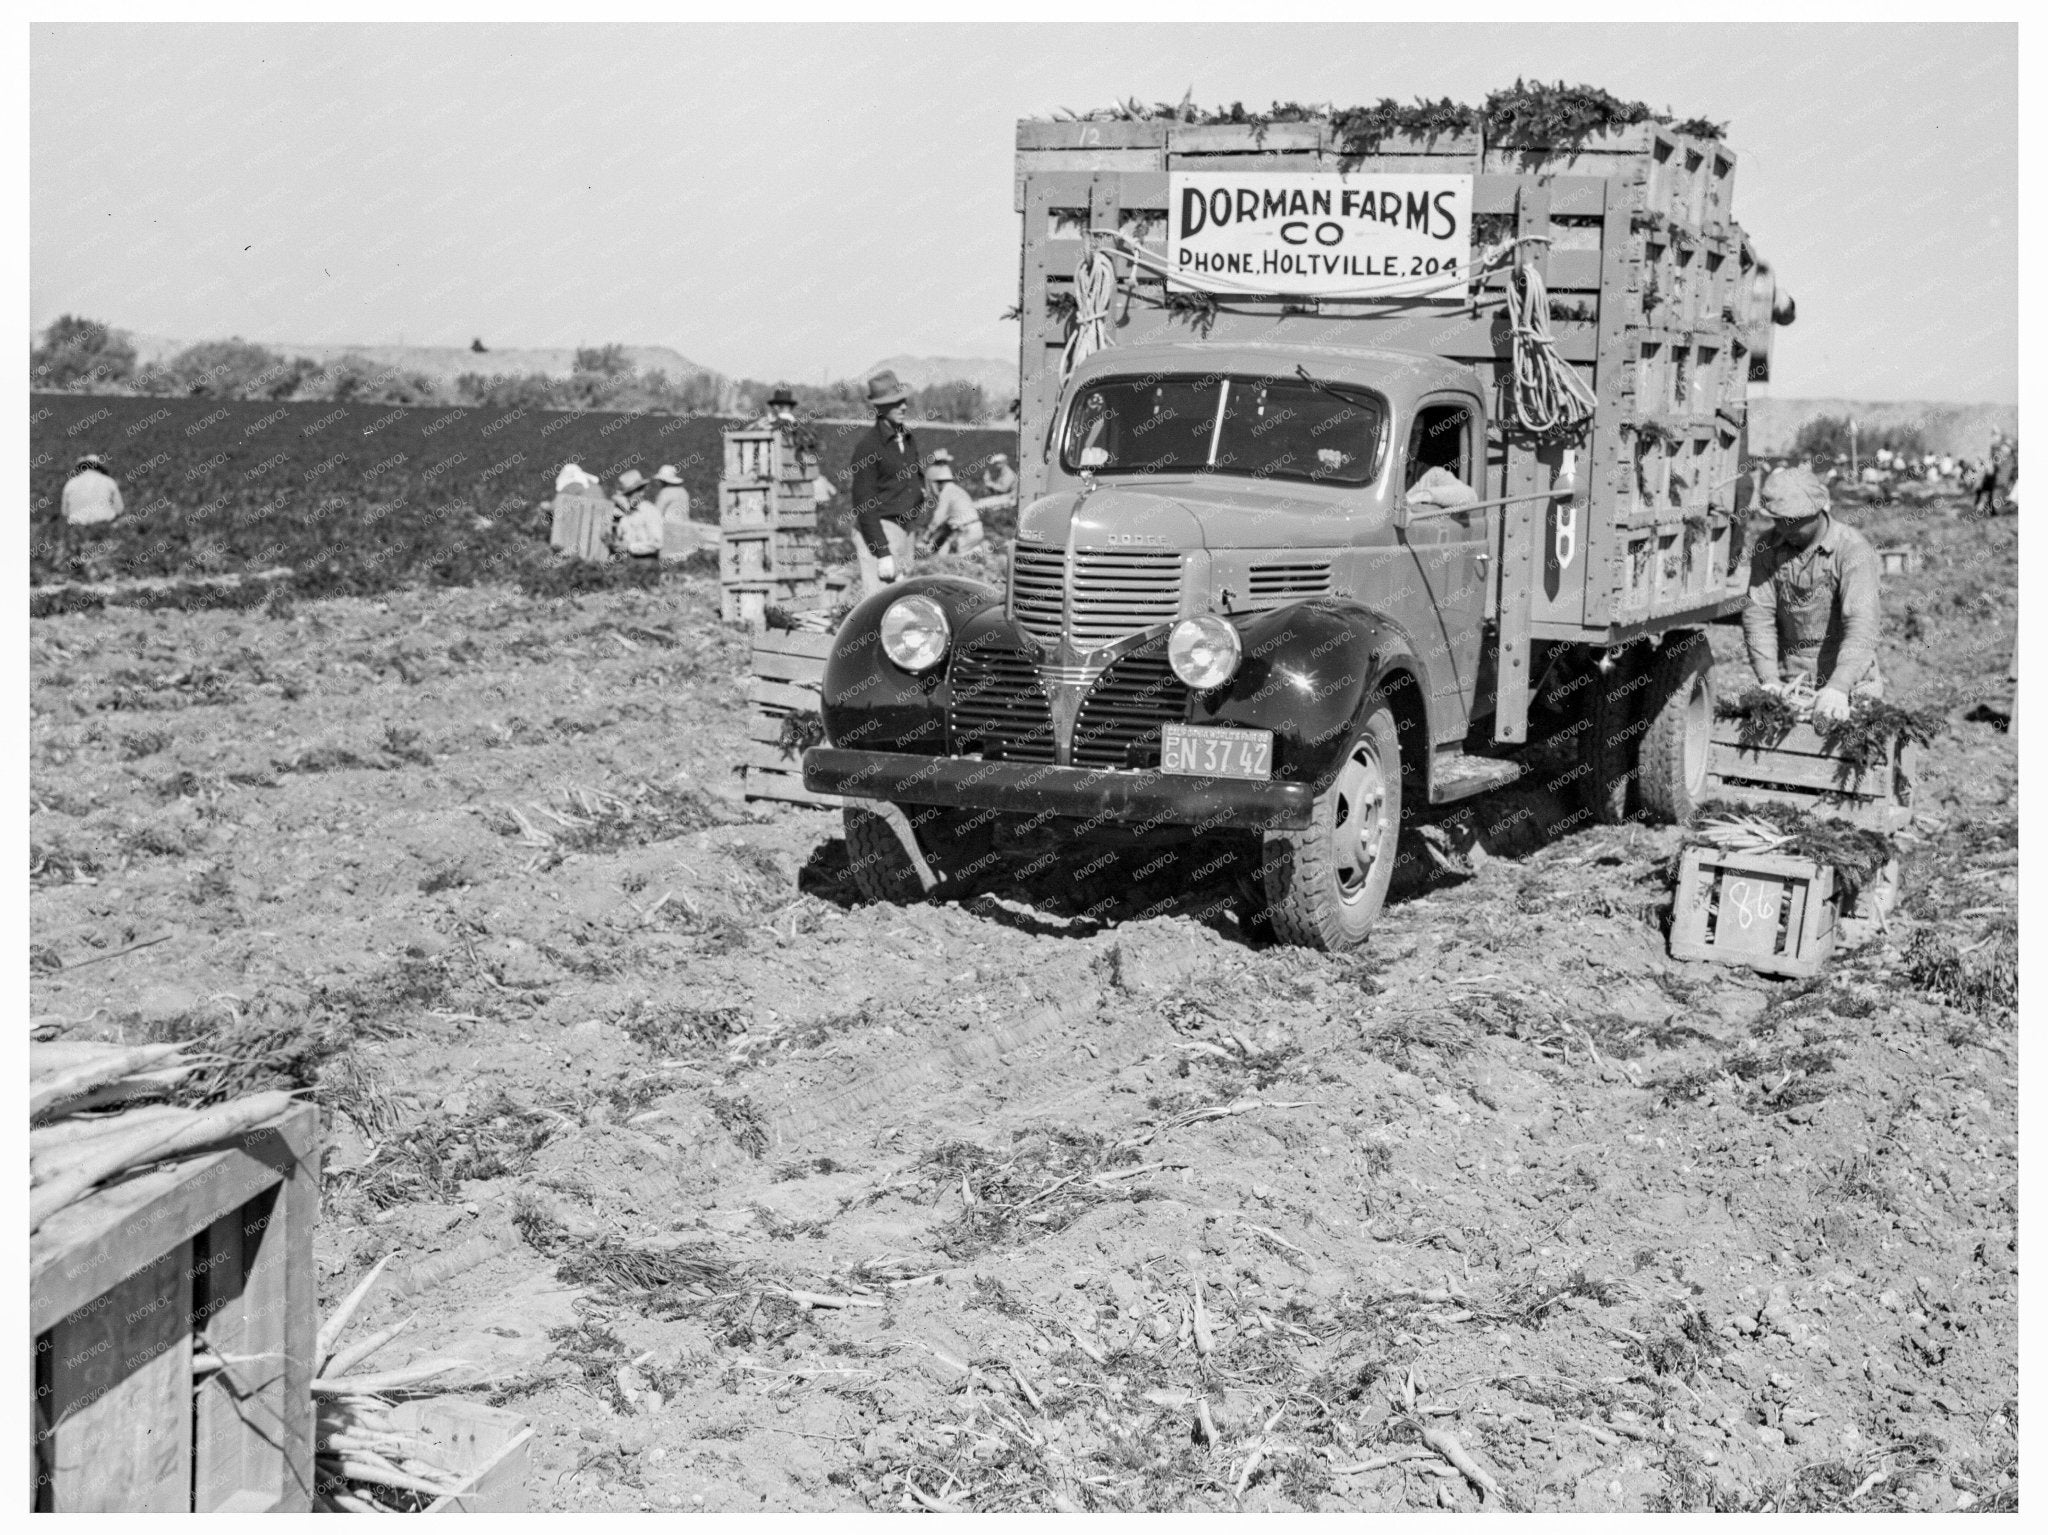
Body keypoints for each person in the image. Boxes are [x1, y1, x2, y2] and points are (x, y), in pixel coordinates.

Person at [1742, 466, 1883, 725]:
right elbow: (1758, 615)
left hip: (1849, 682)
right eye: (1778, 520)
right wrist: (1769, 681)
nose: (1785, 528)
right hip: (1791, 683)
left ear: (1817, 511)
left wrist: (1839, 687)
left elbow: (1862, 623)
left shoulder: (1851, 549)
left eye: (1794, 520)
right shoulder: (1767, 547)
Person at [849, 370, 924, 592]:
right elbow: (864, 503)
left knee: (901, 601)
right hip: (881, 530)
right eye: (895, 403)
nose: (903, 407)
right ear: (879, 408)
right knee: (878, 602)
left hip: (905, 528)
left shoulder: (907, 440)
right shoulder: (869, 447)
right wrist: (882, 551)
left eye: (903, 401)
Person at [921, 450, 985, 557]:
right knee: (944, 552)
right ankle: (976, 552)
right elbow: (947, 525)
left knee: (948, 560)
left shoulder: (945, 492)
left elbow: (938, 519)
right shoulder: (958, 490)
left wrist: (927, 536)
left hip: (966, 532)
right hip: (976, 529)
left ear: (938, 483)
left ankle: (974, 553)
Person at [62, 453, 123, 527]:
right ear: (100, 468)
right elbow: (119, 509)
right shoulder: (109, 481)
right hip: (105, 523)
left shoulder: (70, 483)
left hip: (77, 525)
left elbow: (65, 513)